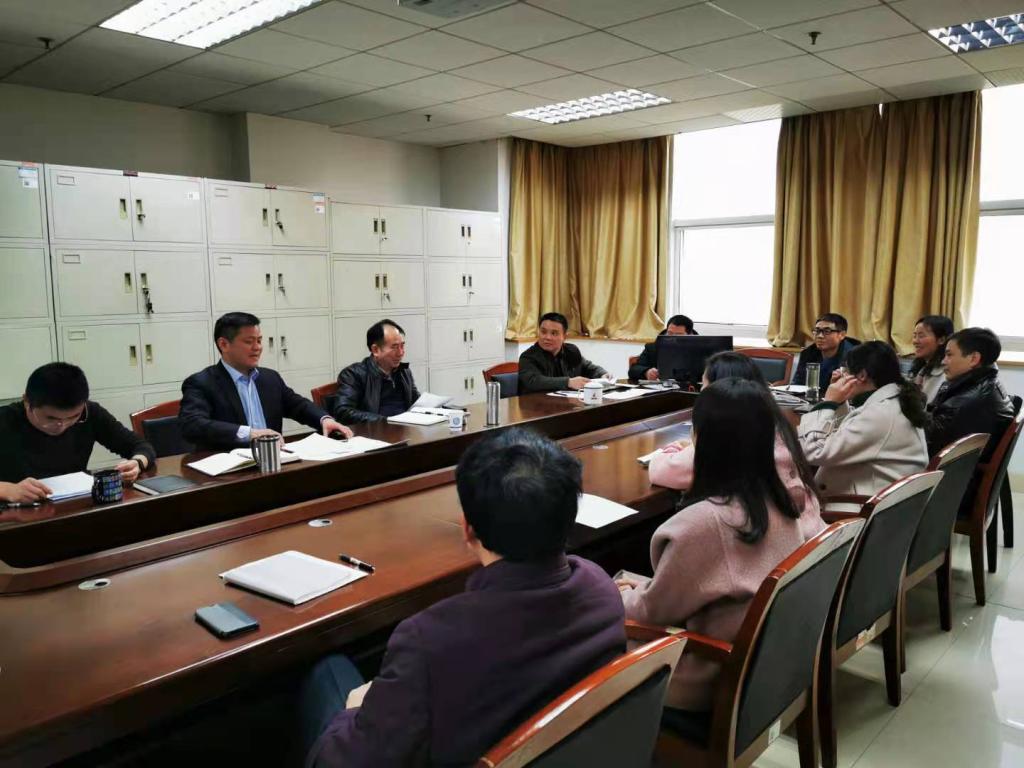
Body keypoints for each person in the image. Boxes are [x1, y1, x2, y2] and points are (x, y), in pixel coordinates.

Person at [299, 428, 626, 766]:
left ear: (468, 529)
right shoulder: (601, 588)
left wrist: (356, 710)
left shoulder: (427, 642)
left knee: (327, 671)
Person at [619, 378, 824, 713]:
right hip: (765, 667)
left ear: (702, 440)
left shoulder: (706, 523)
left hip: (707, 674)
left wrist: (616, 595)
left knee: (587, 632)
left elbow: (650, 613)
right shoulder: (782, 500)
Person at [649, 352, 820, 500]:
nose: (701, 391)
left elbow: (660, 471)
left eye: (704, 385)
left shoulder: (726, 434)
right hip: (802, 523)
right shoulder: (777, 423)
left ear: (722, 389)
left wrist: (677, 447)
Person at [180, 312, 351, 451]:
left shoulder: (270, 378)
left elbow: (298, 405)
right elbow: (192, 425)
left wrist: (324, 420)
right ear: (224, 344)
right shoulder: (201, 383)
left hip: (273, 461)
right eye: (249, 342)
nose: (258, 347)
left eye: (259, 340)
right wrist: (250, 434)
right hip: (229, 471)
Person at [0, 363, 155, 503]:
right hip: (16, 514)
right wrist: (8, 490)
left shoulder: (90, 413)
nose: (61, 425)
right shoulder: (5, 420)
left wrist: (137, 463)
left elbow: (140, 445)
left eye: (73, 417)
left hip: (73, 505)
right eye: (51, 418)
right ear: (27, 402)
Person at [798, 341, 928, 497]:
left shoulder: (879, 414)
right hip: (881, 493)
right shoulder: (895, 399)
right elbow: (851, 430)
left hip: (860, 504)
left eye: (846, 371)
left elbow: (814, 452)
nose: (843, 376)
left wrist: (828, 403)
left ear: (861, 375)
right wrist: (840, 401)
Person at [926, 327, 1014, 462]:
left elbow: (927, 445)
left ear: (974, 358)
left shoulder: (964, 404)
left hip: (951, 471)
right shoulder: (989, 383)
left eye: (949, 355)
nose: (943, 361)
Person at [332, 320, 421, 424]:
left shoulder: (404, 371)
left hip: (407, 428)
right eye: (394, 347)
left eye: (402, 346)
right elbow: (343, 412)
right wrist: (386, 421)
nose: (401, 353)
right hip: (377, 430)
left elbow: (416, 402)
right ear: (375, 350)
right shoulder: (353, 374)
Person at [518, 312, 613, 393]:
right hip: (537, 405)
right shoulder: (528, 356)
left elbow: (588, 367)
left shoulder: (571, 351)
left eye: (554, 333)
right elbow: (533, 381)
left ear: (564, 337)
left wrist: (602, 374)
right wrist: (568, 382)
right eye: (543, 332)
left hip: (567, 403)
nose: (547, 337)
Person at [792, 313, 859, 395]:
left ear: (842, 335)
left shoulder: (854, 355)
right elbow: (796, 385)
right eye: (817, 331)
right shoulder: (808, 353)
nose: (820, 336)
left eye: (827, 331)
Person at [628, 315, 696, 381]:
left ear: (690, 335)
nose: (673, 338)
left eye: (678, 335)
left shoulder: (698, 349)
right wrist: (646, 372)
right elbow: (633, 370)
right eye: (670, 333)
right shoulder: (653, 348)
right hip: (660, 386)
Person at [910, 315, 954, 404]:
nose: (915, 341)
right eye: (915, 336)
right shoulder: (922, 368)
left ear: (941, 340)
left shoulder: (947, 374)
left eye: (921, 336)